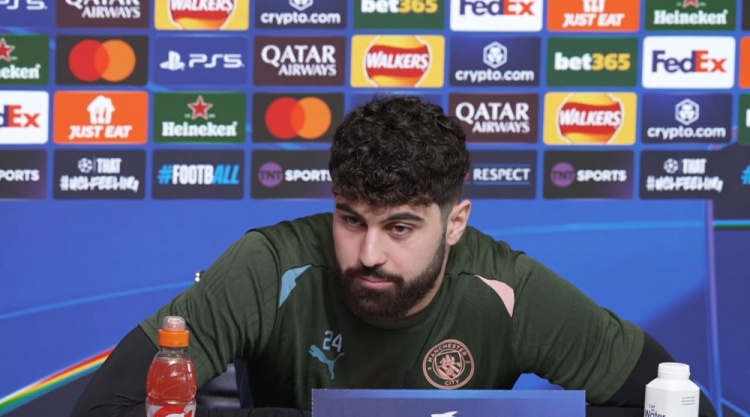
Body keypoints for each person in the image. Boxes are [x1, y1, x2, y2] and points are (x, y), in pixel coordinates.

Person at [71, 95, 717, 417]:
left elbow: (672, 401)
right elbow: (106, 409)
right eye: (351, 219)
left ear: (455, 222)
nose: (368, 253)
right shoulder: (268, 265)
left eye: (401, 227)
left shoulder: (508, 287)